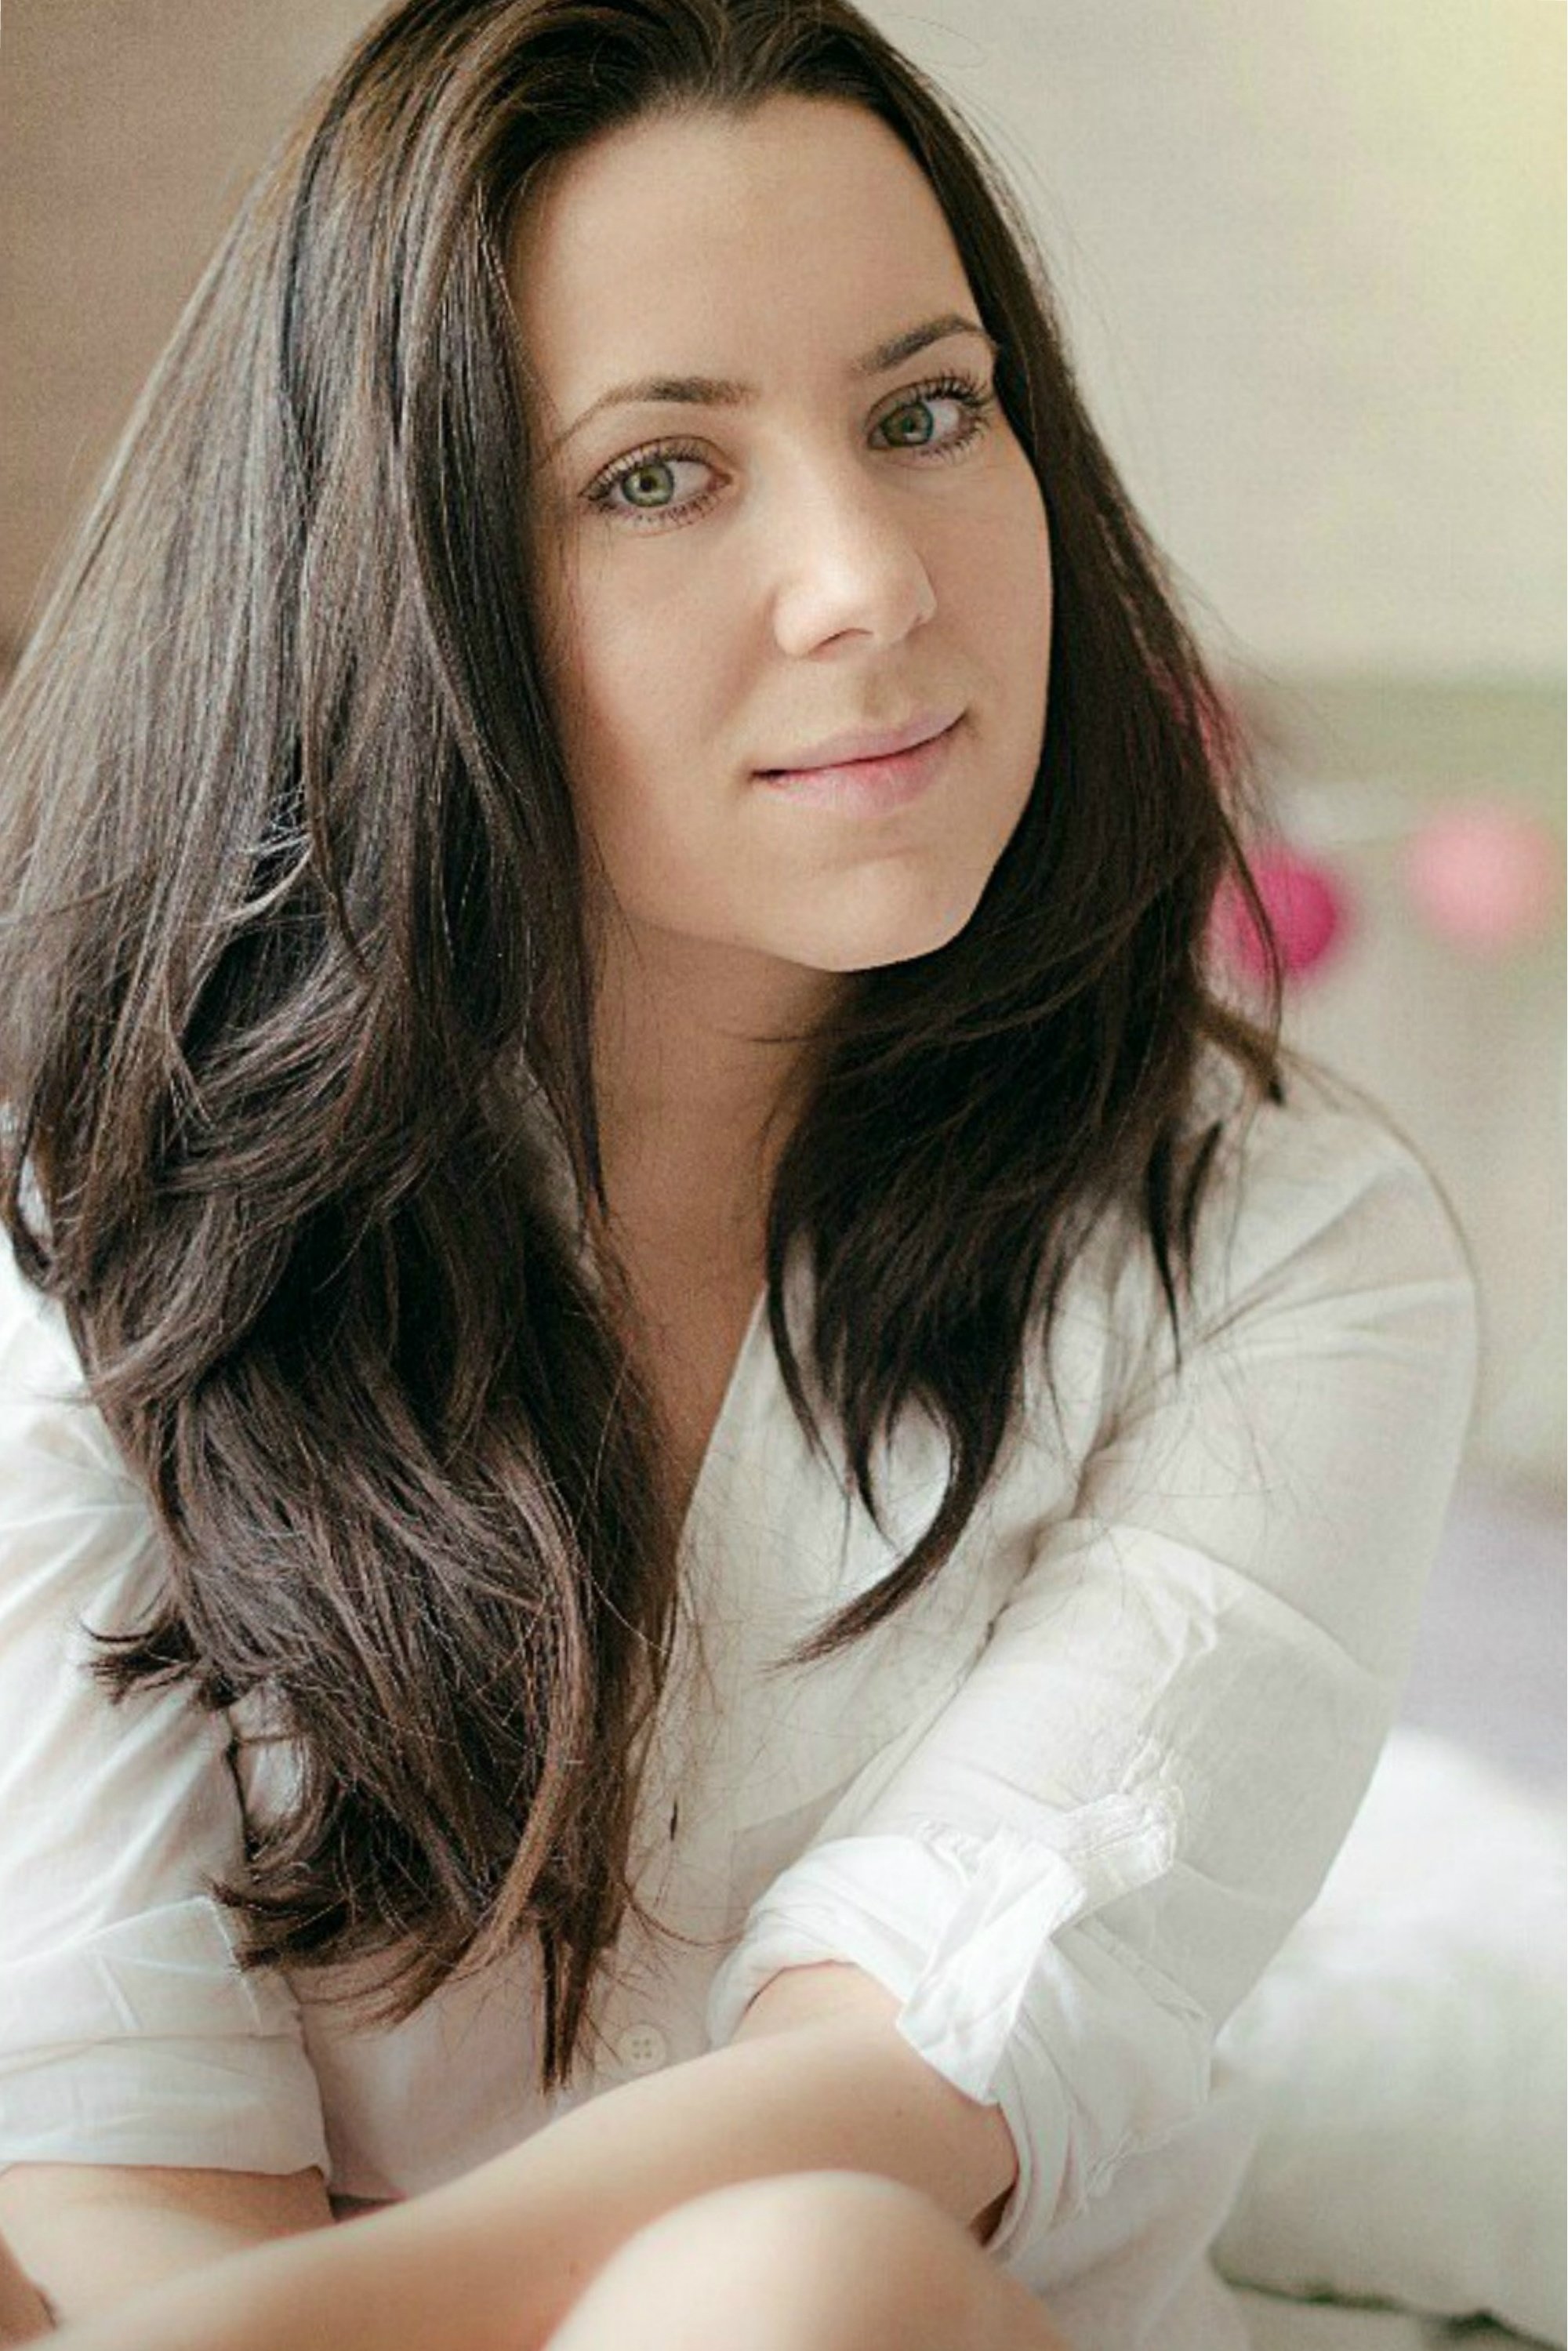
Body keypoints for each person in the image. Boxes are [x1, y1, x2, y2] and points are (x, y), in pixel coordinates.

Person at [0, 1, 1478, 2346]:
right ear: (400, 580)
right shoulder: (94, 1212)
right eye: (657, 475)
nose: (870, 578)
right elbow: (108, 2137)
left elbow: (898, 2079)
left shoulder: (1287, 1240)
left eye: (927, 415)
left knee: (788, 2278)